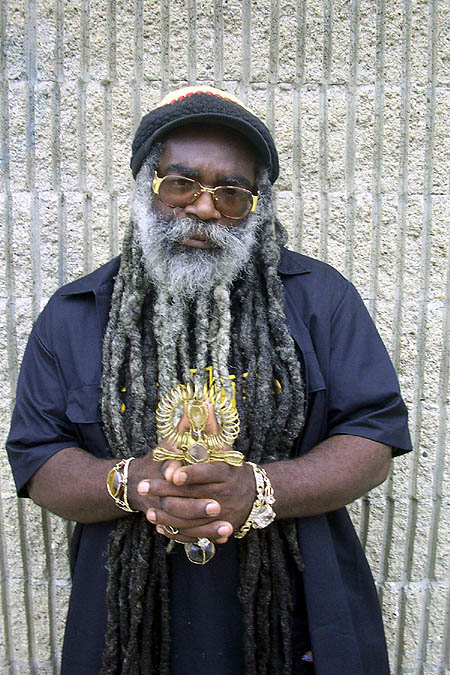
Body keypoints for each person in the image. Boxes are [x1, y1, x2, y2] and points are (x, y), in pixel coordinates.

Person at [7, 86, 412, 675]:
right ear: (146, 188)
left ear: (257, 206)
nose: (203, 208)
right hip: (127, 626)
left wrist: (260, 490)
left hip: (298, 611)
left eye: (232, 193)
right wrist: (137, 484)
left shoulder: (321, 298)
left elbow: (373, 439)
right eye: (181, 184)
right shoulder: (75, 313)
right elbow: (38, 458)